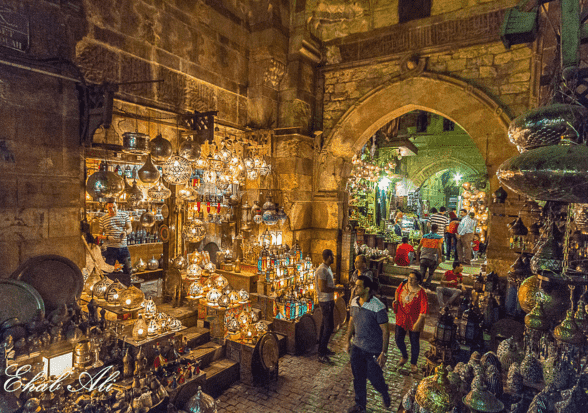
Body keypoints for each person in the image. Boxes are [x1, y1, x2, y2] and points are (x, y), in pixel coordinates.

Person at [345, 275, 391, 413]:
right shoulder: (354, 302)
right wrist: (347, 340)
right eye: (355, 285)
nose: (355, 288)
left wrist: (384, 352)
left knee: (374, 377)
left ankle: (383, 390)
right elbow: (351, 322)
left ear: (367, 289)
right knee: (358, 378)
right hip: (357, 347)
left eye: (358, 286)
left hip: (373, 350)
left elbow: (386, 332)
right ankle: (360, 406)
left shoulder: (378, 306)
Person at [392, 270, 428, 374]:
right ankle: (404, 356)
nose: (410, 280)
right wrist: (396, 301)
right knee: (398, 338)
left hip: (414, 319)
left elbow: (424, 310)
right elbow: (397, 292)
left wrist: (418, 323)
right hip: (401, 317)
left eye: (412, 279)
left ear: (418, 281)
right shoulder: (403, 284)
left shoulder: (421, 292)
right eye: (409, 277)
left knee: (414, 342)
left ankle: (413, 363)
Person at [315, 249, 345, 363]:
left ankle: (322, 349)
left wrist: (335, 287)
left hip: (329, 300)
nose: (333, 258)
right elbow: (322, 288)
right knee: (329, 327)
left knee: (324, 326)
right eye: (332, 256)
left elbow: (328, 285)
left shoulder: (328, 268)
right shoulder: (322, 270)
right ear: (328, 257)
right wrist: (336, 288)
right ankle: (321, 354)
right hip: (325, 301)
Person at [98, 201, 133, 286]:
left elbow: (130, 228)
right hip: (110, 249)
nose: (112, 209)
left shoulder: (124, 215)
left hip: (123, 247)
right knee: (108, 271)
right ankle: (110, 290)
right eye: (110, 208)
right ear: (106, 208)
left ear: (117, 206)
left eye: (114, 207)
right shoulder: (103, 219)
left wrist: (125, 232)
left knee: (128, 270)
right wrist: (107, 237)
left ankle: (128, 289)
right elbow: (99, 235)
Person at [416, 224, 443, 290]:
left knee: (422, 273)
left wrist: (417, 259)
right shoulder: (439, 238)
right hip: (432, 258)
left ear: (430, 229)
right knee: (430, 273)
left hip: (423, 257)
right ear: (437, 229)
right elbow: (439, 248)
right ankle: (426, 286)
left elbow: (418, 248)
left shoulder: (424, 236)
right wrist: (440, 257)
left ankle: (420, 285)